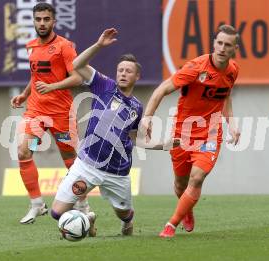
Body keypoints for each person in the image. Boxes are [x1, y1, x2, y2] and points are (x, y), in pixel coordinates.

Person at [38, 28, 179, 236]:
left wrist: (163, 145)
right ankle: (87, 220)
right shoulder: (104, 85)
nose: (123, 73)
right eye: (120, 69)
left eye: (128, 71)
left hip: (117, 172)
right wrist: (98, 45)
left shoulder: (136, 107)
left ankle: (127, 223)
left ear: (137, 76)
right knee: (57, 213)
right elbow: (77, 65)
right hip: (87, 165)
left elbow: (135, 139)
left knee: (124, 214)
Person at [140, 24, 241, 238]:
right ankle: (187, 209)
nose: (222, 48)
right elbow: (161, 90)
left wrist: (231, 123)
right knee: (180, 184)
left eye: (228, 45)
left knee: (197, 178)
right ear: (214, 43)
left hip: (211, 132)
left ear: (234, 49)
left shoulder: (233, 70)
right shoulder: (195, 68)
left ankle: (171, 225)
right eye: (219, 43)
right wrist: (147, 118)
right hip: (182, 132)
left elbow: (226, 96)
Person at [10, 3, 84, 224]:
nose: (42, 23)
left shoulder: (65, 46)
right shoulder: (31, 46)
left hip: (61, 114)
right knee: (24, 151)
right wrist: (24, 94)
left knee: (71, 161)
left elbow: (77, 78)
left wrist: (52, 87)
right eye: (38, 19)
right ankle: (37, 204)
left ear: (54, 21)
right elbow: (36, 77)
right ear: (33, 21)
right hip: (36, 113)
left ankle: (82, 204)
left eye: (46, 19)